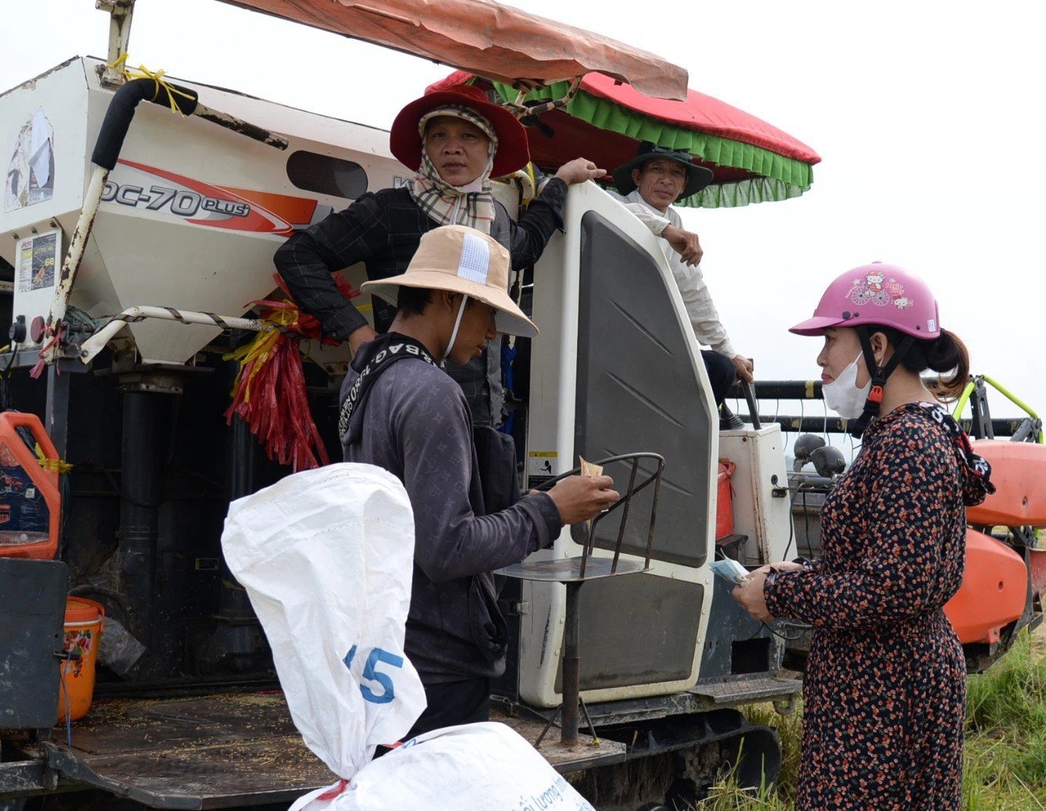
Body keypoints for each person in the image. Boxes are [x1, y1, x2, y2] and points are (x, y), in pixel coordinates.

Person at [731, 263, 992, 811]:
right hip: (885, 678)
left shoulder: (908, 447)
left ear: (879, 346)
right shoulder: (907, 436)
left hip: (891, 684)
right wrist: (799, 574)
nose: (819, 365)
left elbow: (895, 586)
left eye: (830, 345)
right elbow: (882, 568)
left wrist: (779, 589)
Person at [338, 223, 619, 736]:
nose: (493, 333)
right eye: (489, 312)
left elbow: (413, 521)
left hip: (387, 653)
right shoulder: (433, 391)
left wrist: (530, 502)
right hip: (439, 672)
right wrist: (551, 511)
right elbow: (447, 549)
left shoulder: (365, 377)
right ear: (450, 299)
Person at [276, 84, 606, 428]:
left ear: (490, 148)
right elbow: (298, 255)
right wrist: (354, 330)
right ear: (425, 149)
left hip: (481, 413)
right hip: (407, 404)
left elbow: (528, 244)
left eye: (469, 136)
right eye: (438, 137)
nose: (452, 148)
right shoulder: (390, 209)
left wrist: (561, 182)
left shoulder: (496, 218)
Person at [608, 142, 753, 418]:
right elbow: (617, 210)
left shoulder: (675, 225)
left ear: (684, 184)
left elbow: (695, 294)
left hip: (653, 342)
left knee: (720, 369)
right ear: (638, 177)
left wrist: (730, 352)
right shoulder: (615, 205)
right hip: (611, 336)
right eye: (657, 169)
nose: (666, 179)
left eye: (676, 173)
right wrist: (666, 230)